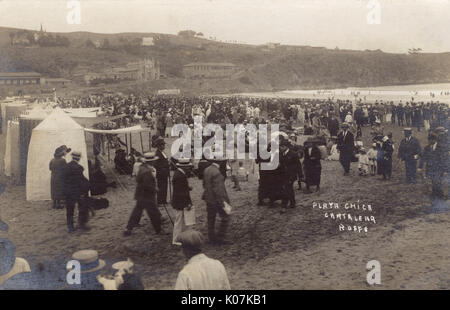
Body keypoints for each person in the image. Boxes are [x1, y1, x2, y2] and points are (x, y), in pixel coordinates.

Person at [124, 152, 162, 237]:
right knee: (153, 213)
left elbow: (139, 180)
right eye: (154, 161)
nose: (155, 162)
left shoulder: (142, 167)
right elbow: (147, 185)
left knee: (137, 212)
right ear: (151, 162)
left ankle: (128, 228)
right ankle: (158, 230)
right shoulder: (147, 172)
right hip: (147, 196)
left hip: (140, 195)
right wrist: (155, 189)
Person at [202, 156, 230, 245]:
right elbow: (219, 190)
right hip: (216, 200)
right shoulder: (217, 173)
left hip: (208, 198)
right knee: (225, 217)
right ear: (221, 162)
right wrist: (224, 202)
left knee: (211, 218)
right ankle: (220, 238)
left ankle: (211, 237)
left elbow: (204, 184)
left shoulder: (207, 170)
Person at [64, 151, 90, 233]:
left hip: (68, 191)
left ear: (72, 157)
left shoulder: (66, 167)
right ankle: (81, 224)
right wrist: (86, 187)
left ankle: (70, 227)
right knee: (82, 207)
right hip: (77, 191)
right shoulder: (79, 167)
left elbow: (63, 180)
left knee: (70, 210)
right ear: (78, 158)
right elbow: (81, 180)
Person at [171, 159, 194, 246]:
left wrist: (187, 188)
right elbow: (180, 192)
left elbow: (181, 189)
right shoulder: (180, 176)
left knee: (181, 220)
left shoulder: (179, 174)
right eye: (188, 167)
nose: (189, 168)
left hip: (179, 200)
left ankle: (179, 238)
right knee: (179, 221)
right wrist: (187, 202)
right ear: (184, 167)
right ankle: (176, 239)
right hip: (180, 201)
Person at [419, 133, 447, 200]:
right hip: (430, 168)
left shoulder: (441, 148)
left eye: (430, 140)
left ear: (435, 140)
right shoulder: (427, 148)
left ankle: (440, 195)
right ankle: (435, 194)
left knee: (437, 181)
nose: (429, 141)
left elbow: (445, 159)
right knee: (433, 181)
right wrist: (420, 167)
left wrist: (446, 169)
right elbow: (423, 158)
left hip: (439, 168)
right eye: (428, 140)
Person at [279, 140, 300, 212]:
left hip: (291, 175)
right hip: (283, 174)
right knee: (289, 189)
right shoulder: (281, 154)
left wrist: (300, 175)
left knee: (286, 189)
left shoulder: (293, 154)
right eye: (280, 147)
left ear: (286, 147)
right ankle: (292, 202)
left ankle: (284, 205)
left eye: (282, 147)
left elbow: (298, 165)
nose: (280, 148)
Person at [49, 145, 70, 209]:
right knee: (59, 190)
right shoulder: (62, 160)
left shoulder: (52, 160)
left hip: (53, 177)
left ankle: (54, 204)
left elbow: (50, 168)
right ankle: (58, 204)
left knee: (54, 190)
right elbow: (66, 169)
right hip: (60, 177)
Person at [154, 137, 170, 207]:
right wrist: (164, 167)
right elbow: (156, 164)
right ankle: (160, 201)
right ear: (159, 146)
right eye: (162, 145)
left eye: (163, 145)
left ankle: (163, 200)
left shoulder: (162, 152)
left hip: (165, 172)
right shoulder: (157, 153)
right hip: (161, 173)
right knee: (161, 187)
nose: (164, 146)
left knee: (165, 186)